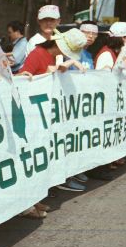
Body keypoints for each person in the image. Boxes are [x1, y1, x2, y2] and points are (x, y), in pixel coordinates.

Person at [21, 28, 88, 193]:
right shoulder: (38, 53)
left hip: (43, 116)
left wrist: (60, 69)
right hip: (33, 116)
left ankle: (41, 193)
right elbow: (22, 77)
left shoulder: (50, 56)